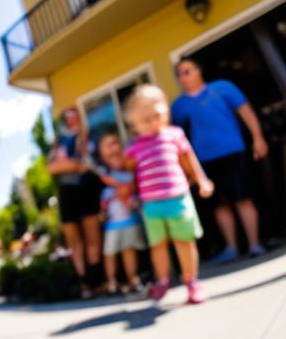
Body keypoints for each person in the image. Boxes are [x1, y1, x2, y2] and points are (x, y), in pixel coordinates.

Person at [171, 56, 268, 262]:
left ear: (199, 71)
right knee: (220, 204)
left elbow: (246, 112)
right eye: (178, 74)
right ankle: (231, 248)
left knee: (244, 198)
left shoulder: (223, 88)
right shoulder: (178, 107)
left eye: (187, 71)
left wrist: (257, 138)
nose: (183, 77)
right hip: (204, 161)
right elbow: (179, 140)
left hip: (234, 151)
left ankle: (254, 244)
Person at [124, 85, 214, 305]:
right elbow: (132, 175)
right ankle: (162, 280)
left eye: (157, 115)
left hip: (177, 198)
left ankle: (191, 280)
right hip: (151, 205)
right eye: (145, 120)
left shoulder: (174, 135)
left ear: (166, 111)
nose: (153, 122)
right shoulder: (133, 149)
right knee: (158, 245)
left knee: (184, 242)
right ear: (134, 125)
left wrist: (201, 179)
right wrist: (131, 195)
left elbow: (189, 159)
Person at [46, 106, 103, 297]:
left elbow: (88, 164)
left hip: (87, 188)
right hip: (67, 192)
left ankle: (97, 281)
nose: (70, 120)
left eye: (74, 115)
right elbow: (52, 167)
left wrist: (70, 165)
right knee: (74, 241)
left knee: (92, 237)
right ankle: (84, 283)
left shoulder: (90, 137)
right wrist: (73, 165)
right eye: (66, 116)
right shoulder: (58, 142)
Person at [95, 131, 145, 296]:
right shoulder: (103, 177)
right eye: (108, 145)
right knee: (109, 252)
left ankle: (133, 279)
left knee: (128, 250)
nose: (113, 149)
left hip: (130, 220)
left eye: (115, 142)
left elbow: (131, 191)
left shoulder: (130, 175)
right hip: (113, 224)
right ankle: (112, 283)